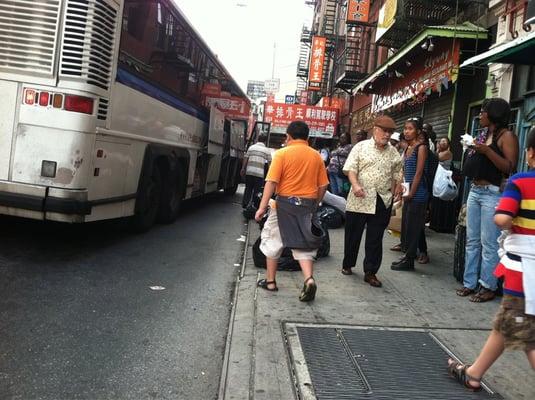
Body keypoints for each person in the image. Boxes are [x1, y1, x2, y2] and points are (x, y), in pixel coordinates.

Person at [447, 127, 535, 391]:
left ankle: (473, 373)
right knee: (506, 322)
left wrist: (504, 218)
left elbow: (502, 217)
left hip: (524, 274)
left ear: (530, 155)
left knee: (526, 334)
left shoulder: (520, 183)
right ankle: (474, 373)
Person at [255, 121, 329, 302]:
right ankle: (309, 279)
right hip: (307, 205)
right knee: (304, 243)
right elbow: (323, 185)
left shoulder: (281, 154)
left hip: (284, 205)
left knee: (273, 240)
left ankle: (271, 281)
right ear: (308, 137)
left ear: (287, 137)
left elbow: (271, 182)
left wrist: (262, 207)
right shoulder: (316, 156)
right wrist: (315, 204)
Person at [457, 98, 519, 303]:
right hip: (475, 190)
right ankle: (469, 283)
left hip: (492, 193)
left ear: (493, 114)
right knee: (472, 241)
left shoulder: (506, 136)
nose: (480, 115)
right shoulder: (483, 134)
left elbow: (509, 166)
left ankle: (488, 285)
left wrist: (487, 150)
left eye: (483, 112)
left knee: (489, 243)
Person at [341, 116, 403, 287]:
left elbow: (398, 171)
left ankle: (371, 272)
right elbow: (351, 169)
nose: (387, 135)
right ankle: (348, 263)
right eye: (384, 131)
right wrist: (355, 185)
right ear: (375, 129)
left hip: (381, 200)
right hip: (359, 198)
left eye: (390, 132)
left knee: (375, 239)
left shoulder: (393, 152)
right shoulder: (360, 147)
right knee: (353, 234)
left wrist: (399, 185)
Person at [391, 118, 429, 271]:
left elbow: (419, 173)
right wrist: (402, 191)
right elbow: (406, 172)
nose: (406, 131)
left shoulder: (421, 148)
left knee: (414, 228)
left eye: (410, 129)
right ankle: (407, 255)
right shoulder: (407, 148)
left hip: (418, 195)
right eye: (405, 128)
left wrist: (411, 193)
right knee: (406, 226)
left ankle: (410, 260)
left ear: (418, 131)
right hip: (409, 194)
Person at [241, 134, 272, 208]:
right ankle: (254, 205)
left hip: (249, 172)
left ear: (258, 139)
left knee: (248, 188)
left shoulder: (251, 148)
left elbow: (246, 158)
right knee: (257, 191)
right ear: (265, 141)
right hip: (259, 174)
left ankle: (245, 204)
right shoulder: (266, 150)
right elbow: (270, 163)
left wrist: (243, 168)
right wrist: (270, 174)